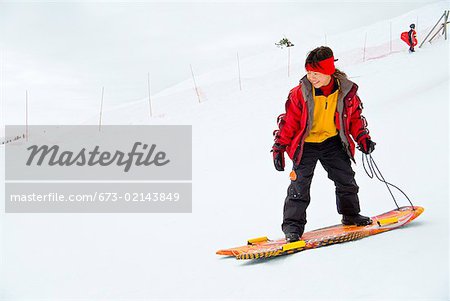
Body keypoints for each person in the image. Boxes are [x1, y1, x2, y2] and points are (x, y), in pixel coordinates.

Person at [271, 46, 376, 243]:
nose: (312, 77)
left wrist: (362, 137)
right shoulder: (300, 93)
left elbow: (354, 117)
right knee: (299, 186)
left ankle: (351, 215)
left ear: (328, 71)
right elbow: (289, 122)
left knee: (346, 180)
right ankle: (292, 227)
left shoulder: (345, 91)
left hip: (332, 142)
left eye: (316, 73)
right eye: (309, 72)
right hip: (306, 145)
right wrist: (279, 147)